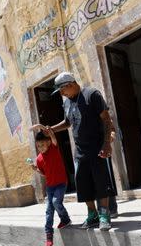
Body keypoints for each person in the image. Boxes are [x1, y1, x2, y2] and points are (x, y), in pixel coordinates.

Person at [50, 72, 117, 231]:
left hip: (97, 147)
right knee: (83, 184)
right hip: (80, 151)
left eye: (62, 90)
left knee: (101, 182)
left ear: (70, 84)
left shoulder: (91, 94)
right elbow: (67, 122)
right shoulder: (66, 103)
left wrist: (106, 143)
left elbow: (106, 119)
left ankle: (104, 215)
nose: (61, 94)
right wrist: (51, 129)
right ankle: (92, 215)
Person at [29, 124, 71, 246]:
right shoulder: (39, 159)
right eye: (38, 146)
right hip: (50, 186)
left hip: (61, 183)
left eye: (42, 145)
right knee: (49, 210)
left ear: (48, 142)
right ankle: (49, 234)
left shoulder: (53, 148)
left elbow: (51, 134)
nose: (40, 148)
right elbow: (44, 173)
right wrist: (36, 169)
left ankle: (65, 219)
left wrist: (41, 127)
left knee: (56, 202)